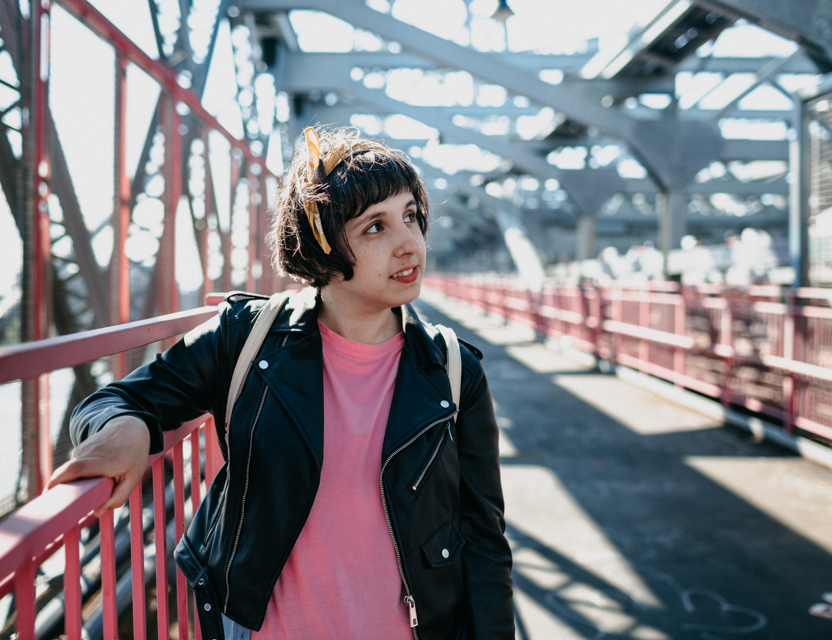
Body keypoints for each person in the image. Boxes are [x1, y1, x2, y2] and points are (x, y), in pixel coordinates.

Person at [48, 127, 514, 640]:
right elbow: (116, 399)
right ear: (322, 248)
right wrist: (128, 429)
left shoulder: (453, 370)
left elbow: (484, 540)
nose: (410, 243)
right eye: (375, 228)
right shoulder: (247, 339)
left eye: (411, 216)